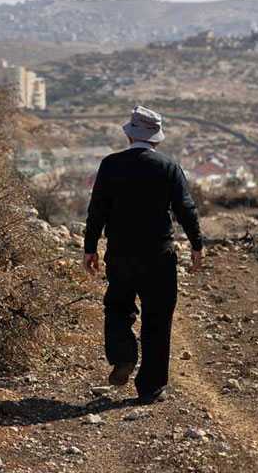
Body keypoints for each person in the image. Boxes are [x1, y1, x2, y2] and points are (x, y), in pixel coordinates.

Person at [83, 105, 203, 404]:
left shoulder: (110, 165)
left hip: (120, 253)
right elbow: (185, 209)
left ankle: (123, 356)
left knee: (117, 306)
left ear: (129, 135)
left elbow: (97, 209)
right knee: (157, 318)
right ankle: (150, 387)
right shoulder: (168, 167)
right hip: (159, 255)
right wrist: (197, 245)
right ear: (156, 139)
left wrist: (90, 247)